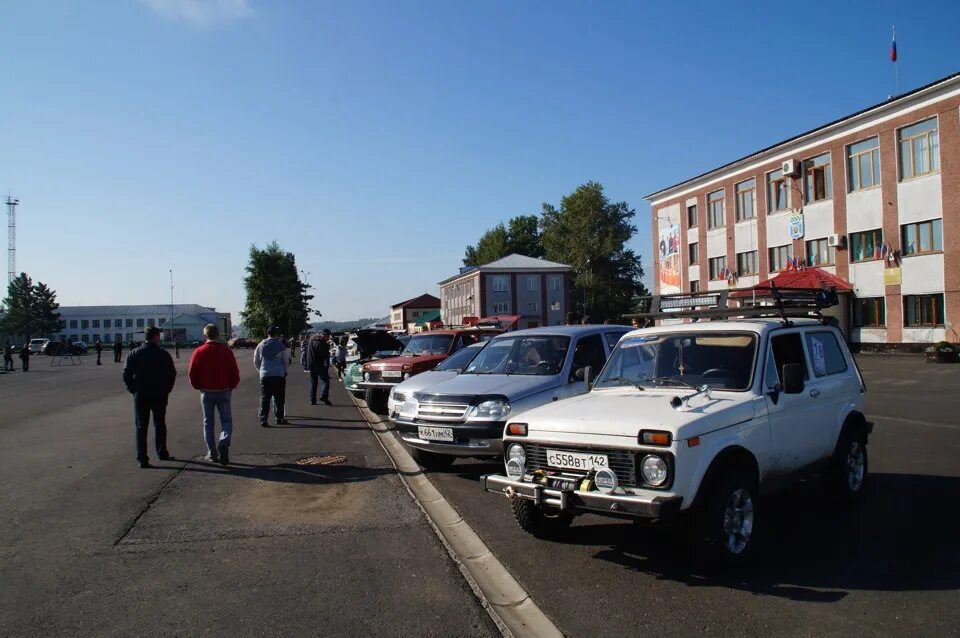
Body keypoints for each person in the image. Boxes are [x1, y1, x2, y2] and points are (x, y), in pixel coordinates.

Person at [122, 326, 177, 468]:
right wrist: (167, 389)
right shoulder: (163, 354)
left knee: (141, 426)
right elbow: (171, 374)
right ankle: (162, 452)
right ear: (156, 337)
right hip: (159, 393)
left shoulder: (134, 353)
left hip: (141, 394)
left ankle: (142, 457)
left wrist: (133, 389)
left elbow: (126, 374)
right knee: (159, 423)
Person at [188, 324, 240, 466]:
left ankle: (212, 453)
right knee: (226, 421)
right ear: (218, 335)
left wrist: (198, 386)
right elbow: (234, 371)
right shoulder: (226, 351)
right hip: (224, 390)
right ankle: (224, 441)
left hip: (206, 391)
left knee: (208, 423)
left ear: (205, 336)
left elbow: (192, 373)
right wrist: (232, 384)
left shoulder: (199, 352)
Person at [254, 326, 290, 426]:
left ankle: (263, 419)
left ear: (268, 333)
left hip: (265, 375)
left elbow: (256, 360)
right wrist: (284, 371)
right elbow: (286, 361)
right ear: (277, 334)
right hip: (278, 374)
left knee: (265, 398)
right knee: (279, 398)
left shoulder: (261, 345)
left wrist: (260, 371)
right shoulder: (281, 346)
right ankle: (279, 418)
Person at [306, 329, 332, 405]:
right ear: (325, 335)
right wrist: (327, 345)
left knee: (313, 382)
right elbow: (324, 353)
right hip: (318, 364)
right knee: (325, 380)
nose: (328, 338)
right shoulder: (321, 342)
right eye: (328, 336)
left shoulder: (312, 338)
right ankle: (324, 395)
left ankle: (312, 400)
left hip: (310, 363)